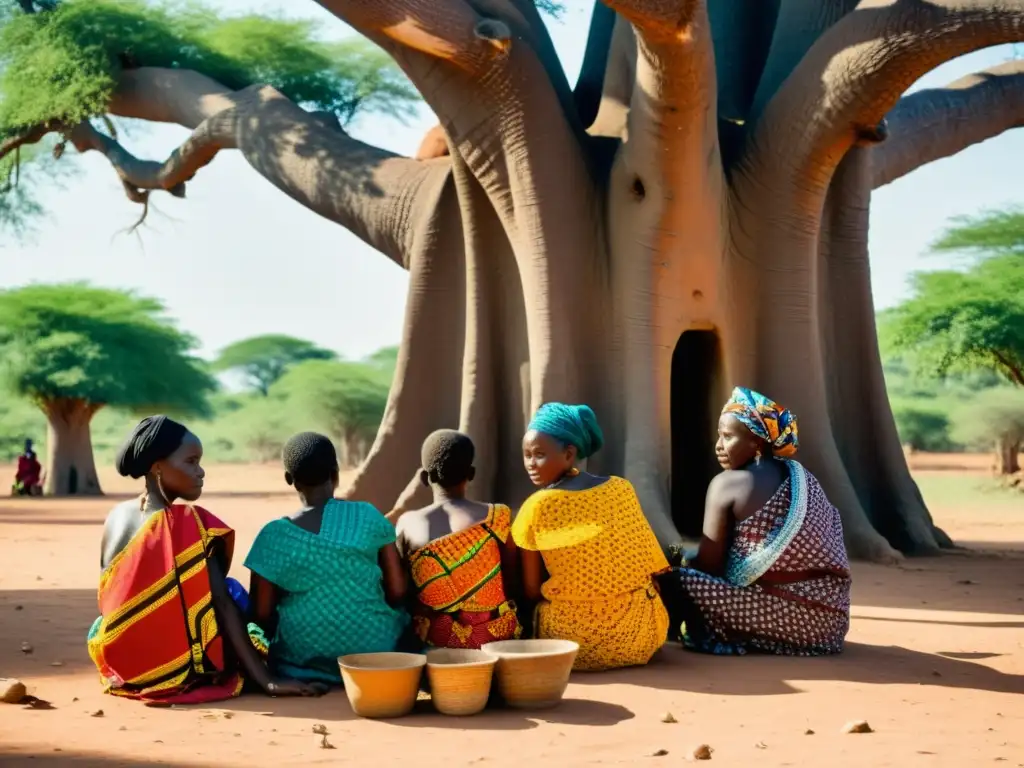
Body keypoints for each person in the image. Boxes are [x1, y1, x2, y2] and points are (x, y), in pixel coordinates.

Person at [88, 416, 325, 704]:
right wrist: (268, 681)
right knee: (234, 594)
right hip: (167, 671)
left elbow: (109, 599)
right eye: (191, 462)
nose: (201, 472)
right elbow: (221, 603)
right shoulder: (189, 523)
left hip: (120, 664)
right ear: (157, 465)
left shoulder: (116, 515)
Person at [658, 387, 851, 656]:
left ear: (757, 442)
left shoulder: (727, 484)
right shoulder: (805, 481)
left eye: (727, 437)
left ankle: (695, 635)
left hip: (766, 615)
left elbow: (709, 567)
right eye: (718, 436)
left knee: (670, 575)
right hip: (826, 625)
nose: (718, 446)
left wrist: (679, 561)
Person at [511, 403, 670, 671]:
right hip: (640, 634)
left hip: (569, 643)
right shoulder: (621, 489)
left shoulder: (537, 506)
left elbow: (530, 589)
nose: (530, 464)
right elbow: (651, 566)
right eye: (526, 455)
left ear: (569, 453)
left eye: (539, 454)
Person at [244, 432, 409, 683]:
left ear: (290, 479)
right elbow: (397, 591)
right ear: (336, 474)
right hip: (376, 652)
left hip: (301, 658)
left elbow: (262, 614)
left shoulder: (273, 536)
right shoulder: (367, 515)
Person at [396, 430, 522, 649]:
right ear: (471, 474)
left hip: (435, 640)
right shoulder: (497, 517)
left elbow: (404, 588)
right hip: (494, 638)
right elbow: (511, 579)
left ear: (425, 478)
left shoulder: (407, 523)